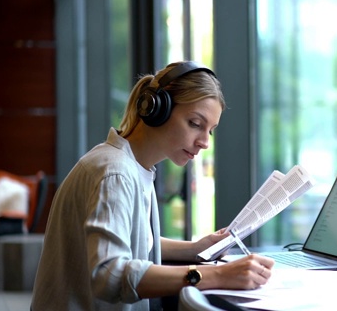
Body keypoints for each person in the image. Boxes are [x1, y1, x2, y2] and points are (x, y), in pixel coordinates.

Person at [31, 61, 275, 310]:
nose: (204, 142)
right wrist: (218, 276)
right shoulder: (115, 174)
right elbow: (108, 274)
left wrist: (196, 248)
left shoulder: (129, 165)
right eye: (195, 123)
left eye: (210, 131)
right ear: (157, 110)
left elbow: (132, 237)